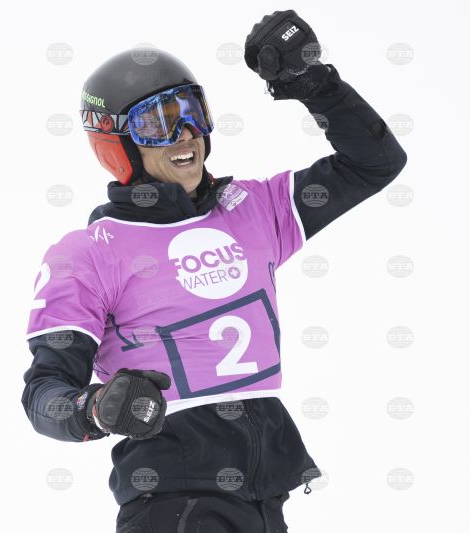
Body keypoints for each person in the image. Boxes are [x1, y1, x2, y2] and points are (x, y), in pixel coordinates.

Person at [21, 10, 408, 533]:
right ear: (118, 144)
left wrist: (310, 81)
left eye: (192, 112)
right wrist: (94, 407)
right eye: (157, 123)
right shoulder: (88, 254)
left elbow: (374, 163)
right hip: (171, 501)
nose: (185, 135)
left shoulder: (254, 210)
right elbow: (44, 393)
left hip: (264, 500)